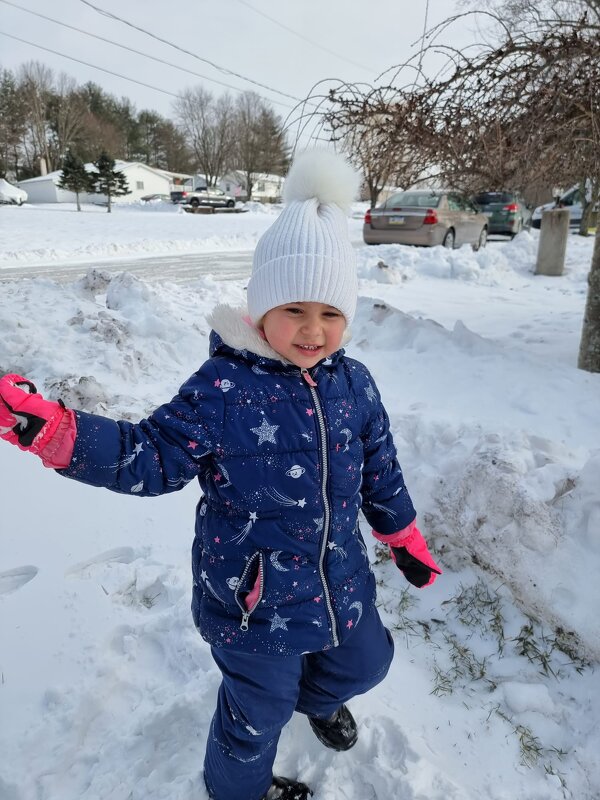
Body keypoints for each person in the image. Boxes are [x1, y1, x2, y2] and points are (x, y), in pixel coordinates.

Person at [0, 149, 441, 800]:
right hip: (253, 602)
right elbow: (151, 457)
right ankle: (236, 789)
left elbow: (380, 467)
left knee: (368, 662)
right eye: (295, 309)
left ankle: (312, 700)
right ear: (261, 307)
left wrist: (402, 535)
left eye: (331, 312)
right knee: (252, 719)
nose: (314, 330)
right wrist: (62, 435)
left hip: (339, 582)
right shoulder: (223, 388)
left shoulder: (355, 383)